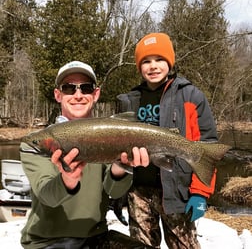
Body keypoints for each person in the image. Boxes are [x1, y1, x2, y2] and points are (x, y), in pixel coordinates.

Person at [19, 60, 153, 249]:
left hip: (96, 236)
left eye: (86, 88)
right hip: (47, 242)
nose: (78, 95)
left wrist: (121, 167)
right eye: (69, 88)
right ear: (58, 95)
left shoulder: (108, 135)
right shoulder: (35, 143)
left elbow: (114, 191)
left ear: (95, 94)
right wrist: (68, 180)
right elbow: (47, 195)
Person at [116, 33, 218, 249]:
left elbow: (207, 147)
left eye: (159, 59)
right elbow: (117, 152)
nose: (153, 66)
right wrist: (118, 194)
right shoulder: (128, 100)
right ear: (139, 66)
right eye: (146, 61)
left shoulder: (190, 96)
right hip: (139, 191)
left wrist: (200, 192)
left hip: (176, 191)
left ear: (170, 62)